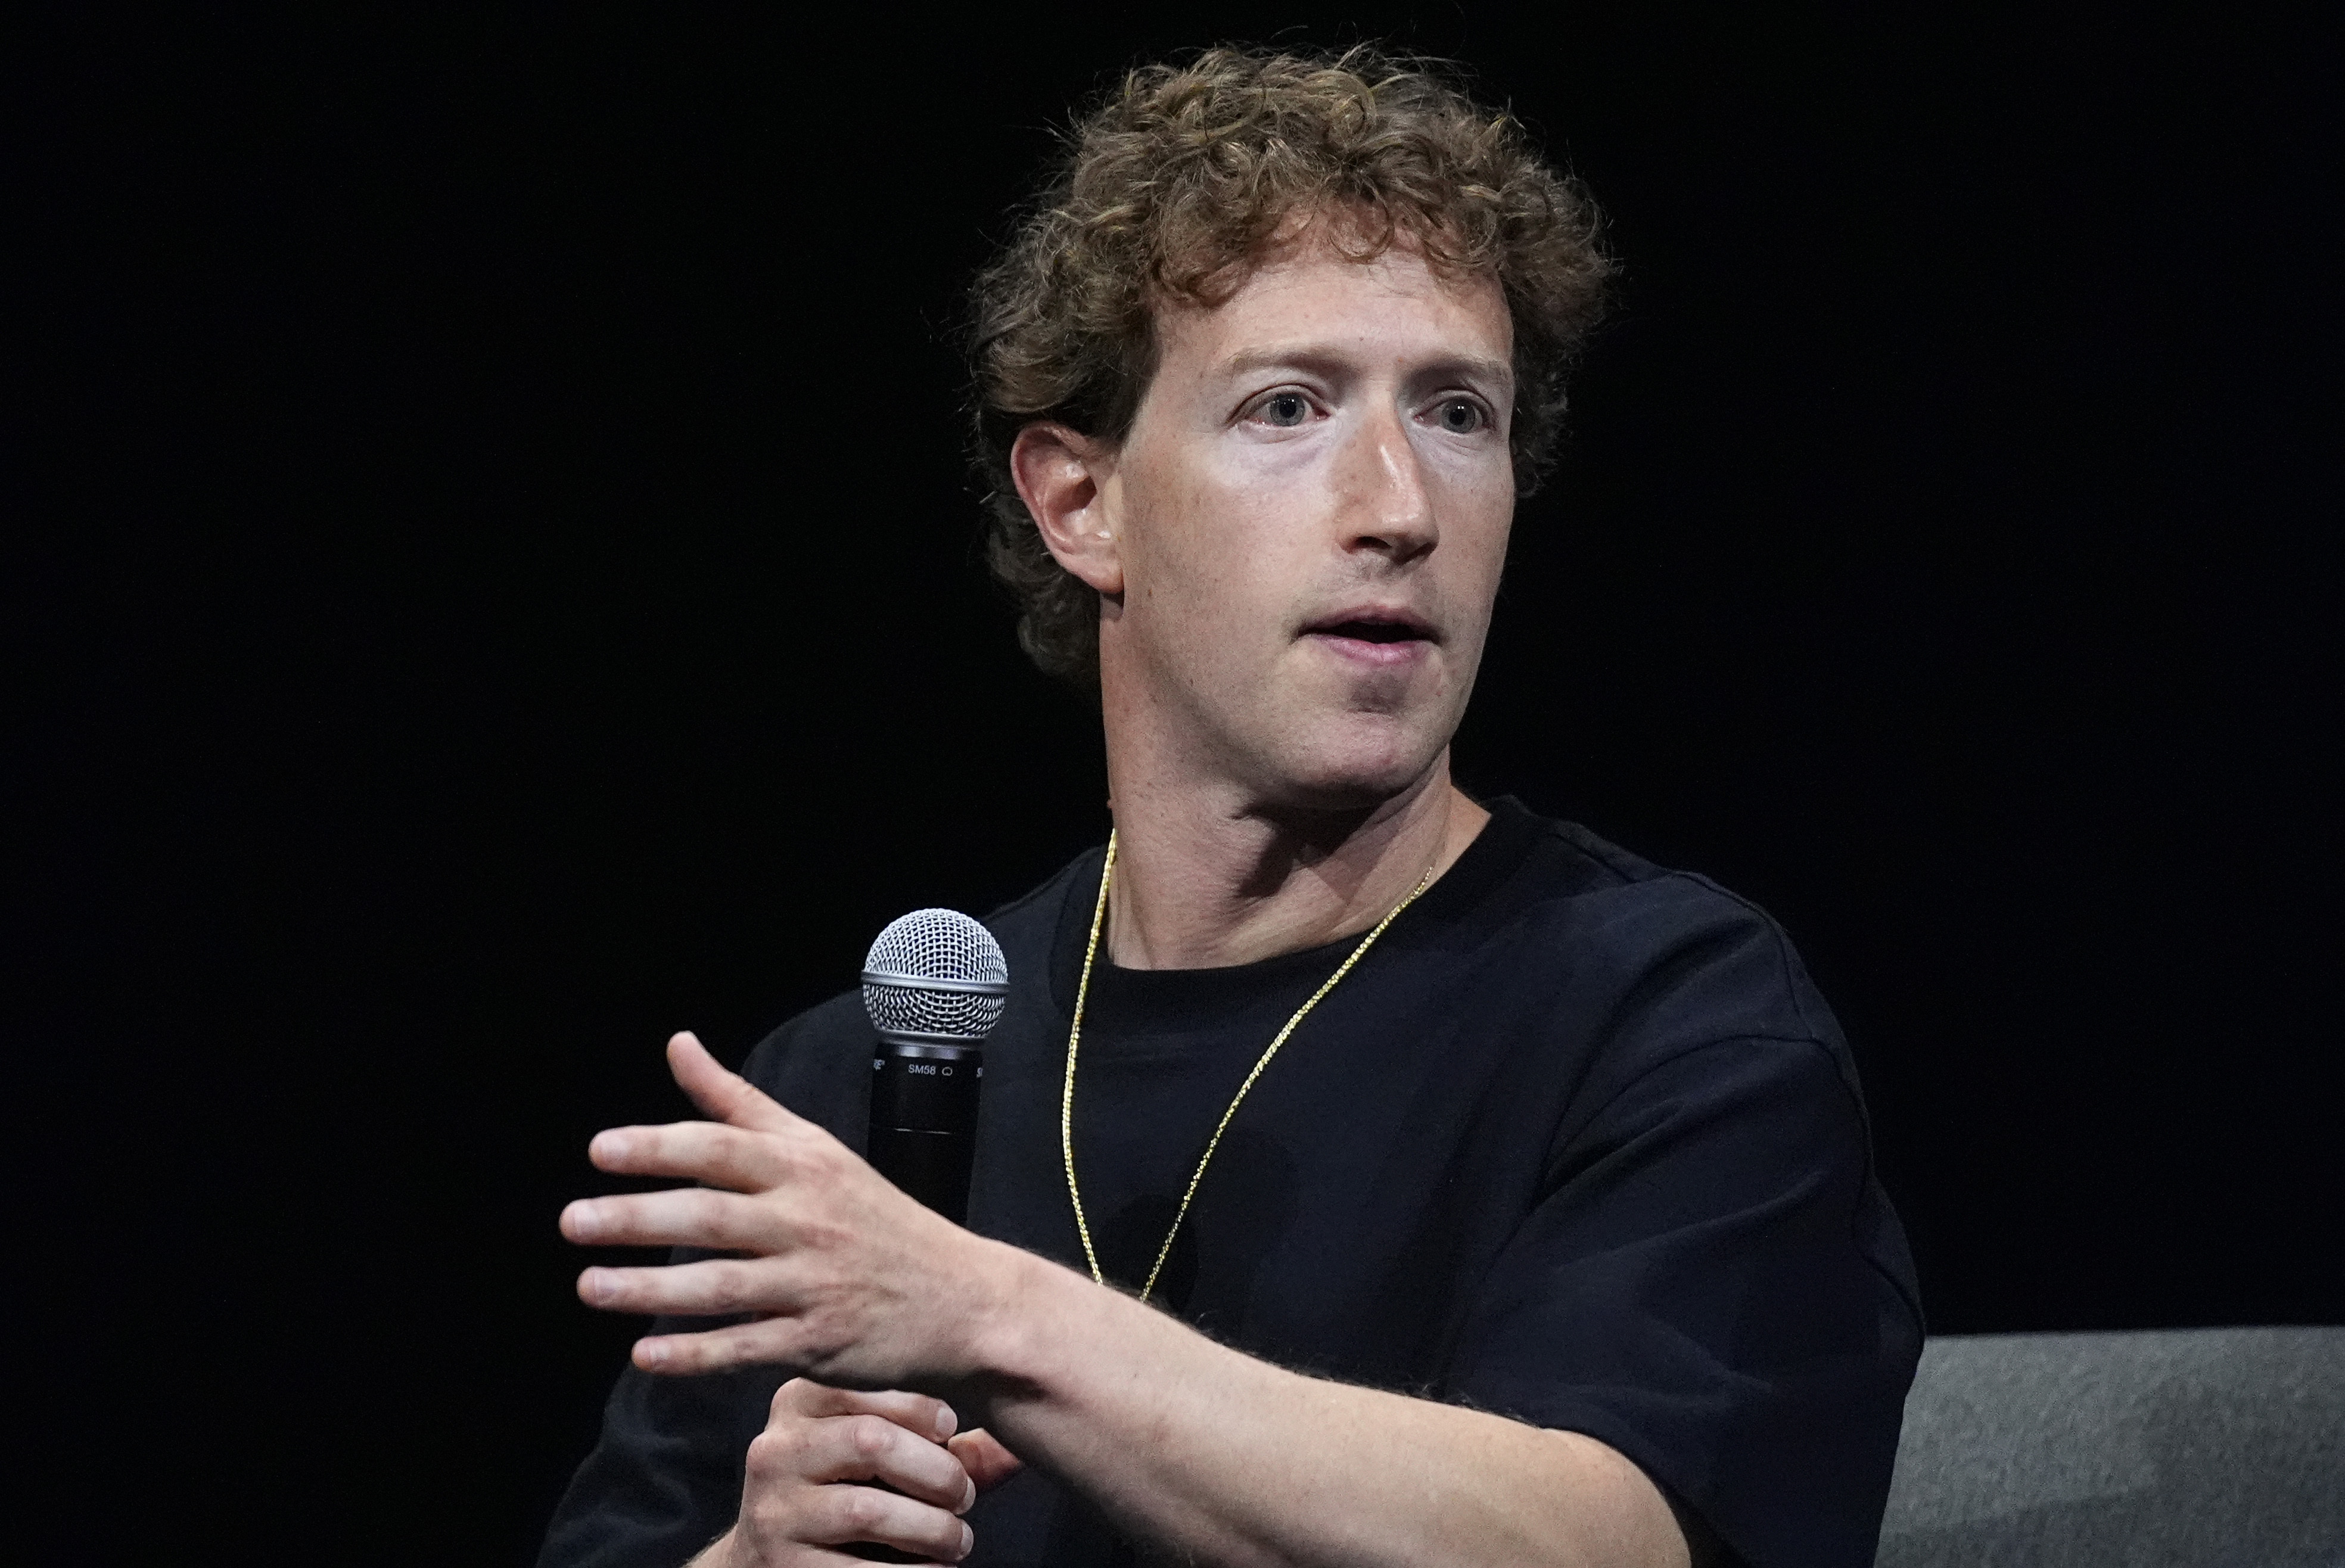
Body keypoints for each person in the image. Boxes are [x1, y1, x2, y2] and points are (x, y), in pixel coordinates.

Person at [540, 45, 1921, 1568]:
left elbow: (1614, 1539)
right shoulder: (855, 1086)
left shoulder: (1671, 1015)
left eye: (1459, 413)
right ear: (1084, 502)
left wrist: (985, 1311)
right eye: (1288, 407)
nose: (1400, 505)